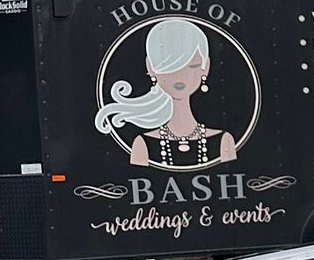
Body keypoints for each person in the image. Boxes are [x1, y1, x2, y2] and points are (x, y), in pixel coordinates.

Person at [94, 17, 238, 167]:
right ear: (151, 68)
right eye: (169, 67)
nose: (179, 76)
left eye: (192, 66)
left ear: (205, 67)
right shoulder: (142, 144)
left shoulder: (224, 141)